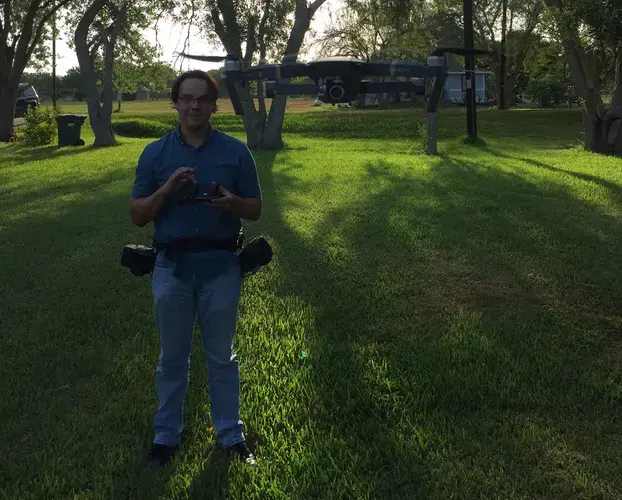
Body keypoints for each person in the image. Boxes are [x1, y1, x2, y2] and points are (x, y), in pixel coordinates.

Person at [129, 69, 262, 467]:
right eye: (185, 98)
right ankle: (165, 436)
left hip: (221, 268)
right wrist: (167, 189)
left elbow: (255, 209)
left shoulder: (236, 152)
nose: (193, 105)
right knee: (172, 358)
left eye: (201, 99)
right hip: (171, 268)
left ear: (213, 106)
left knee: (222, 357)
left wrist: (232, 204)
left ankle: (230, 434)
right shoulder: (155, 153)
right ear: (175, 102)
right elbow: (137, 215)